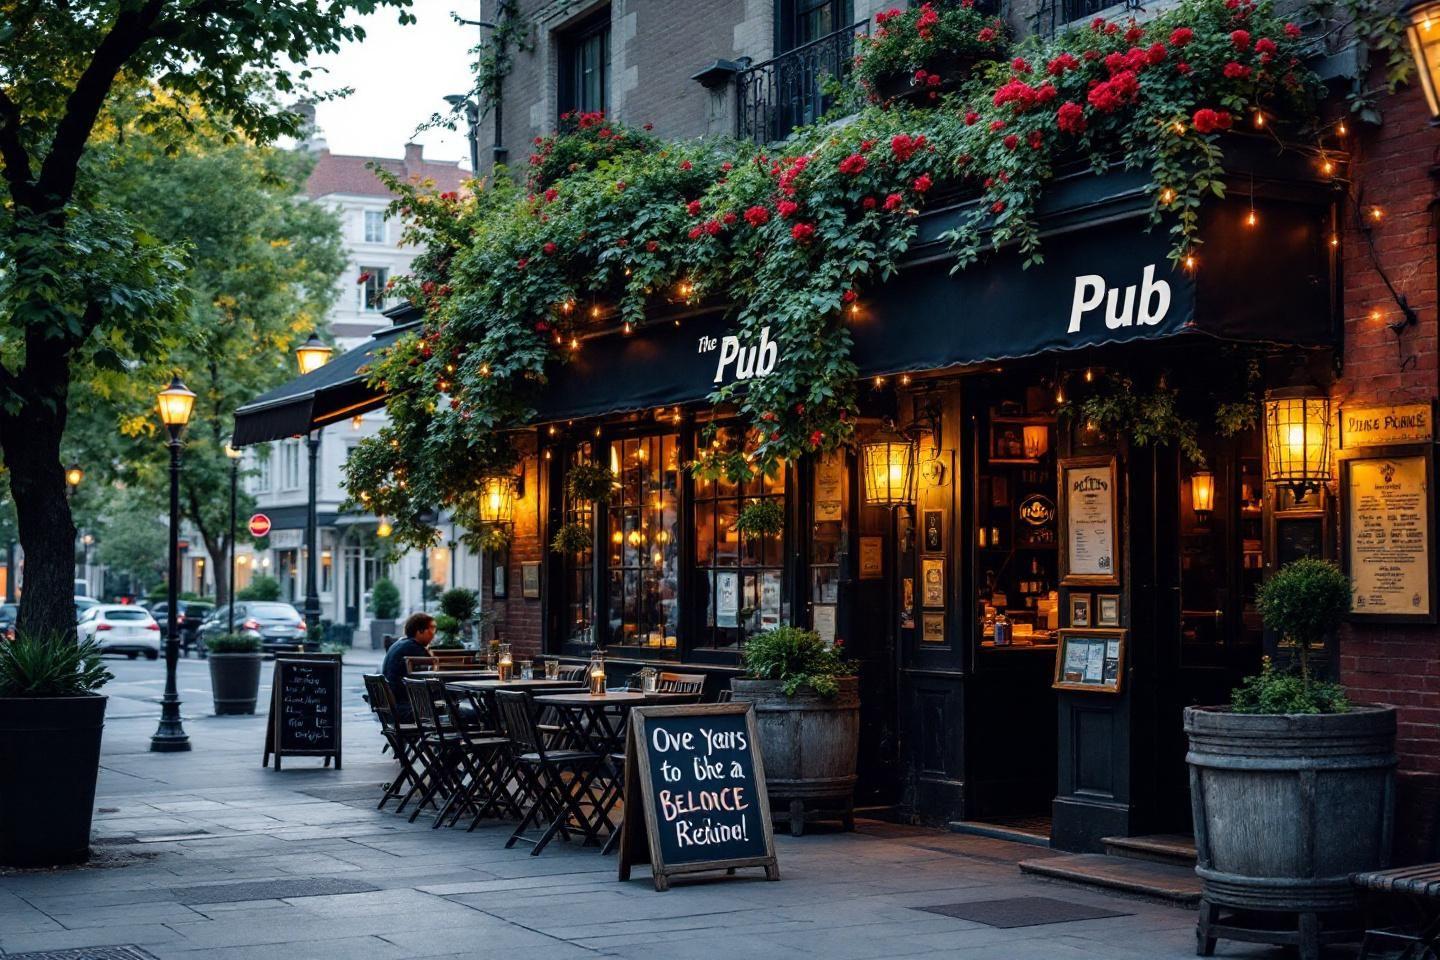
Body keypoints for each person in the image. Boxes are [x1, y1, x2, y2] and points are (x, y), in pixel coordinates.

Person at [382, 612, 435, 721]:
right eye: (430, 629)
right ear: (419, 631)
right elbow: (432, 665)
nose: (433, 634)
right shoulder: (414, 648)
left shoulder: (399, 644)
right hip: (406, 708)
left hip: (392, 708)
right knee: (457, 711)